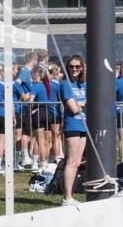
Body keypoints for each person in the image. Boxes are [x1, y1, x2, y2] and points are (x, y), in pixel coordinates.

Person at [58, 55, 88, 205]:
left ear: (81, 67)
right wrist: (84, 103)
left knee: (77, 162)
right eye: (71, 66)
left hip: (83, 125)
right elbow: (74, 108)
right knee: (70, 162)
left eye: (77, 66)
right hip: (72, 125)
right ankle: (67, 198)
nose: (74, 69)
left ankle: (70, 196)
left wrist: (81, 103)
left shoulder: (83, 84)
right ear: (67, 68)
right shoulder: (65, 84)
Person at [27, 65, 53, 173]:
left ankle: (42, 165)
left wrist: (30, 112)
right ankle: (45, 163)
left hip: (39, 113)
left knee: (40, 141)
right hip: (48, 113)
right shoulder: (46, 85)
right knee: (46, 141)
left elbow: (30, 101)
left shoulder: (36, 86)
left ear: (35, 74)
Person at [48, 64, 64, 162]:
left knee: (49, 137)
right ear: (55, 72)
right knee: (56, 137)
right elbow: (61, 98)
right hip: (55, 112)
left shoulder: (46, 83)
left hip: (47, 112)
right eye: (58, 71)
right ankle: (57, 158)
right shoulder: (57, 84)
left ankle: (52, 157)